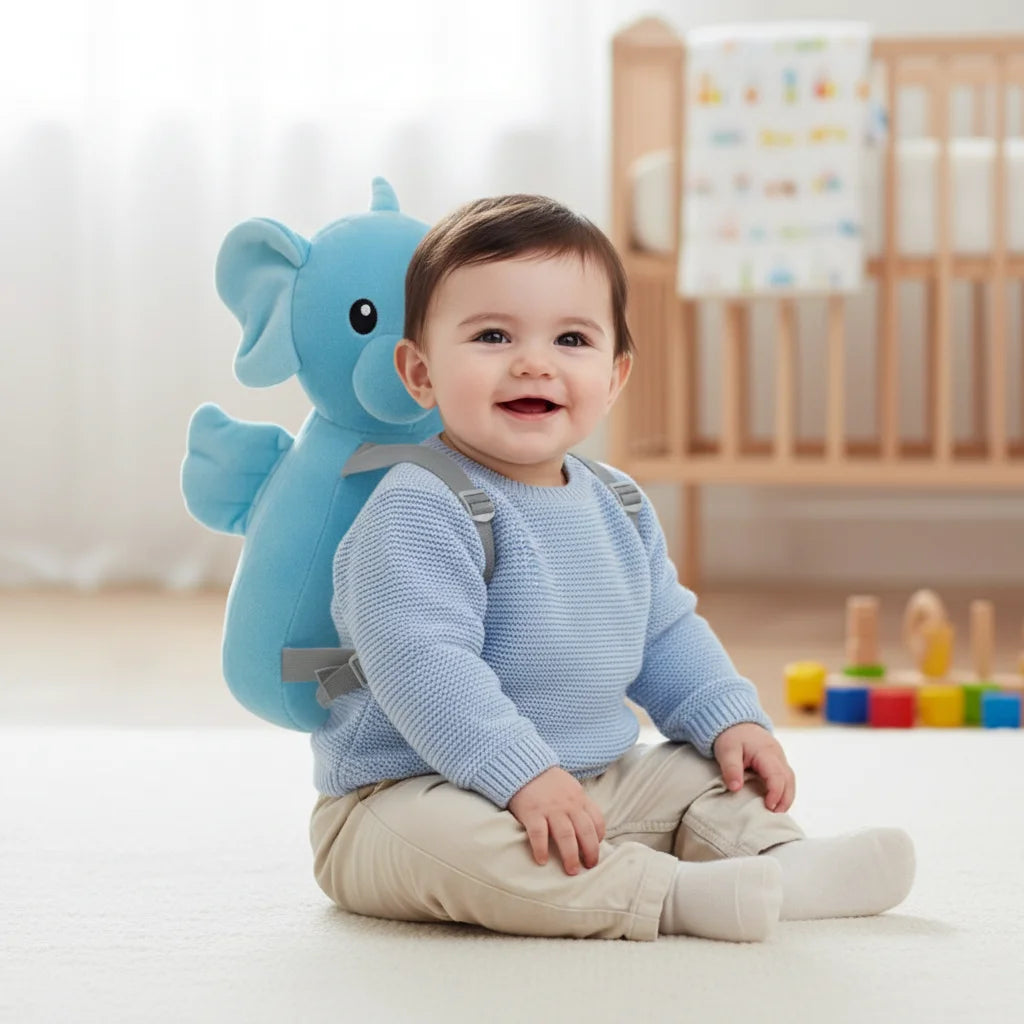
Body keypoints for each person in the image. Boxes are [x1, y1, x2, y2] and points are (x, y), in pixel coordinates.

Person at [309, 194, 915, 942]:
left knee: (705, 773)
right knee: (457, 844)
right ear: (420, 372)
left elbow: (665, 634)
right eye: (493, 336)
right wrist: (520, 773)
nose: (534, 362)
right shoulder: (420, 504)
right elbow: (423, 665)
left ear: (616, 375)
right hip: (408, 795)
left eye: (571, 338)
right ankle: (666, 896)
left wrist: (730, 718)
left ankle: (778, 861)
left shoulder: (618, 502)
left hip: (589, 784)